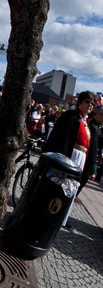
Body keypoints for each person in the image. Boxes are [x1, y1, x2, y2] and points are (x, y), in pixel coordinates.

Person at [43, 91, 96, 229]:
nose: (90, 105)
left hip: (81, 159)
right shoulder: (70, 117)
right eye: (87, 102)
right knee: (61, 185)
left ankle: (62, 217)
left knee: (72, 188)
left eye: (93, 103)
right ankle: (51, 213)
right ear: (80, 102)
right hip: (71, 156)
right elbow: (61, 139)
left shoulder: (87, 122)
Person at [77, 104, 103, 195]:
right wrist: (93, 170)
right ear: (99, 114)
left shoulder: (93, 125)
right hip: (87, 164)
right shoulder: (94, 129)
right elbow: (94, 150)